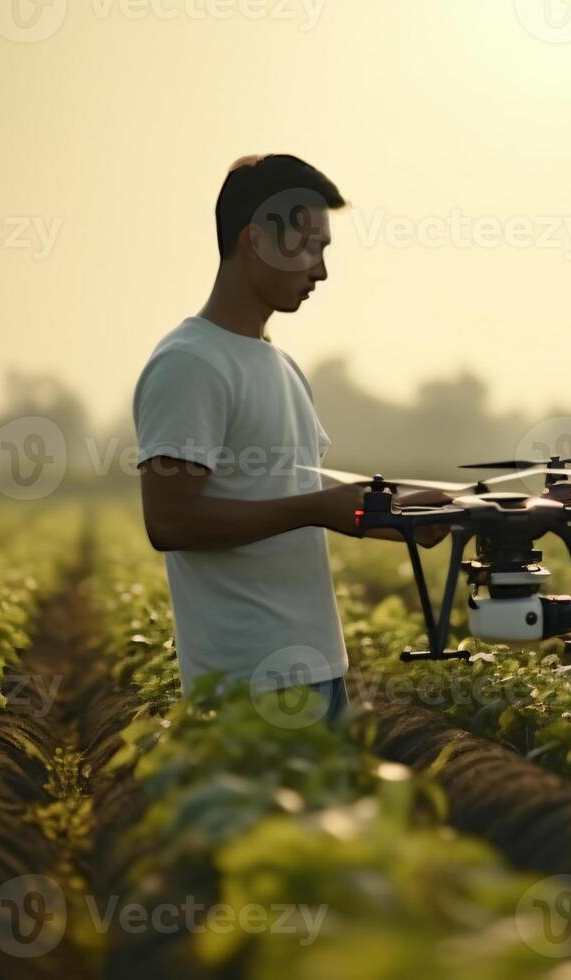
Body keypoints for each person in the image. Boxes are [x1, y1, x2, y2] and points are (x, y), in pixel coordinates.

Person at [133, 154, 446, 722]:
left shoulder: (276, 362)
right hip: (246, 683)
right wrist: (317, 509)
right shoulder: (190, 362)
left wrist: (405, 511)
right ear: (256, 241)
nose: (320, 271)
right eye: (309, 247)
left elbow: (297, 487)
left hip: (315, 668)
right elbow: (170, 522)